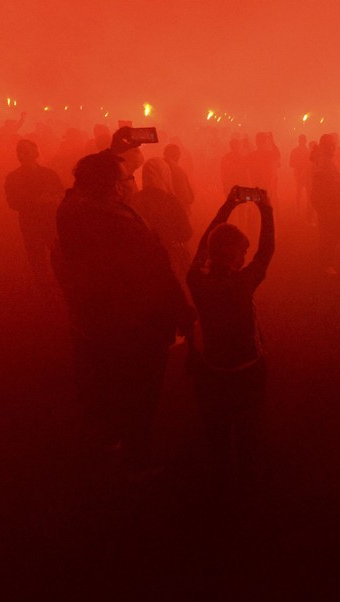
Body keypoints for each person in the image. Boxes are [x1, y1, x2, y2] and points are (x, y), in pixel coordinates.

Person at [53, 152, 194, 472]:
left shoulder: (73, 209)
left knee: (105, 383)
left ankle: (108, 439)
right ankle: (136, 457)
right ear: (114, 187)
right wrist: (180, 311)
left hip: (94, 320)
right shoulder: (119, 227)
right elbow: (154, 274)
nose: (133, 181)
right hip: (133, 324)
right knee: (139, 390)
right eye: (126, 177)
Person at [187, 188, 275, 477]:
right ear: (238, 257)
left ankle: (220, 475)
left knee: (217, 427)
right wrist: (266, 209)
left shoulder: (196, 280)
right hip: (248, 368)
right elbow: (266, 251)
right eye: (243, 253)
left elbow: (204, 246)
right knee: (248, 427)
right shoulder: (242, 283)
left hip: (212, 369)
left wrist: (227, 206)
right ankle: (246, 478)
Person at [4, 139, 64, 290]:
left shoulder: (48, 173)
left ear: (36, 152)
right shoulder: (13, 178)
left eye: (26, 150)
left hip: (50, 220)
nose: (23, 153)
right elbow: (13, 202)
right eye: (20, 150)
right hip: (30, 223)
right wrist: (35, 201)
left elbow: (61, 193)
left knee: (57, 253)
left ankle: (60, 284)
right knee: (37, 258)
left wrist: (54, 199)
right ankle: (45, 290)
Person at [131, 157, 193, 281]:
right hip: (169, 261)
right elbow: (186, 232)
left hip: (140, 262)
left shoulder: (133, 200)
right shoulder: (171, 201)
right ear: (165, 174)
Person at [310, 133, 340, 274]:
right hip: (327, 202)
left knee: (329, 232)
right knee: (329, 233)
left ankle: (325, 260)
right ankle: (326, 263)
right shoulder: (323, 161)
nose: (335, 148)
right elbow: (322, 183)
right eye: (333, 145)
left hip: (329, 202)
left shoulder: (324, 159)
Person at [163, 143, 196, 215]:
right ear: (176, 154)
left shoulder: (162, 167)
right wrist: (188, 200)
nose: (180, 155)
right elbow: (183, 192)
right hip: (179, 207)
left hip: (167, 207)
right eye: (178, 153)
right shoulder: (176, 169)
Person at [289, 134, 311, 219]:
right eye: (302, 140)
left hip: (305, 175)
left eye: (303, 140)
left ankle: (304, 211)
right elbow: (291, 163)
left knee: (305, 193)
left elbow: (310, 163)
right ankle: (299, 211)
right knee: (299, 193)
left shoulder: (308, 152)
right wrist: (299, 165)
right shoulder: (296, 151)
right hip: (299, 174)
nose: (303, 142)